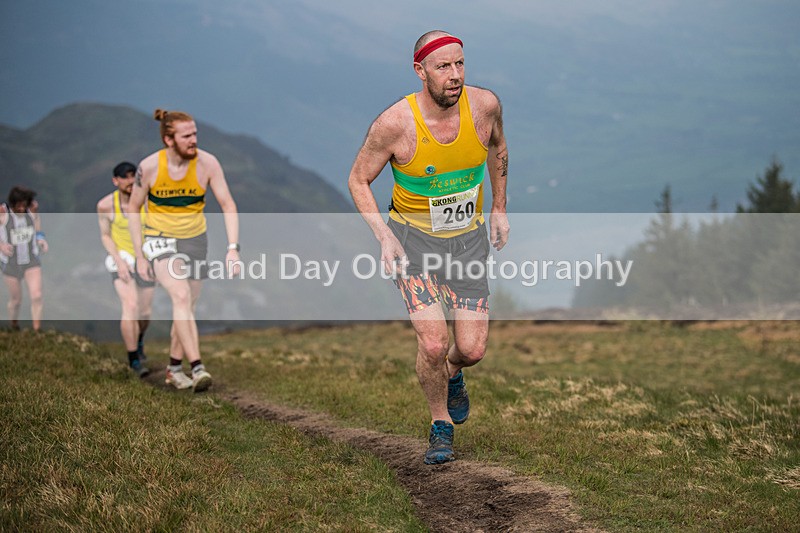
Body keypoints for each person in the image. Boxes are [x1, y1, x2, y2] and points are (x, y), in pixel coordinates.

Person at [348, 31, 510, 464]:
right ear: (420, 71)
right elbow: (358, 180)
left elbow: (498, 147)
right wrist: (383, 235)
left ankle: (452, 374)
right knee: (434, 344)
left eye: (460, 64)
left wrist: (499, 207)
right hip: (412, 244)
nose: (455, 75)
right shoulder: (394, 125)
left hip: (468, 243)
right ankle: (440, 424)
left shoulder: (485, 106)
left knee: (471, 350)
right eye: (443, 67)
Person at [128, 109, 240, 393]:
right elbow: (134, 208)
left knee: (186, 306)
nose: (194, 140)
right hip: (160, 239)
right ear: (169, 139)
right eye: (186, 136)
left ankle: (174, 369)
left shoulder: (208, 163)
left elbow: (228, 204)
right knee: (180, 295)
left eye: (195, 134)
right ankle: (198, 366)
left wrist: (232, 249)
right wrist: (140, 254)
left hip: (195, 239)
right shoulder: (149, 167)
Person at [97, 162, 156, 378]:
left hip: (146, 260)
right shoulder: (105, 205)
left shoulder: (147, 202)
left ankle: (138, 340)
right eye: (126, 177)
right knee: (130, 305)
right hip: (122, 260)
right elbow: (105, 235)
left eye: (134, 176)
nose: (131, 181)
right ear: (116, 181)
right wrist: (118, 260)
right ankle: (134, 360)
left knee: (145, 312)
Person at [1, 186, 48, 331]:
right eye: (18, 205)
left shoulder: (32, 210)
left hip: (31, 260)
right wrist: (1, 246)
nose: (21, 208)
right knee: (16, 300)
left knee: (37, 296)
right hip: (10, 262)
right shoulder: (4, 213)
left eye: (24, 205)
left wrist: (40, 239)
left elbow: (37, 224)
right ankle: (13, 325)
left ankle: (37, 330)